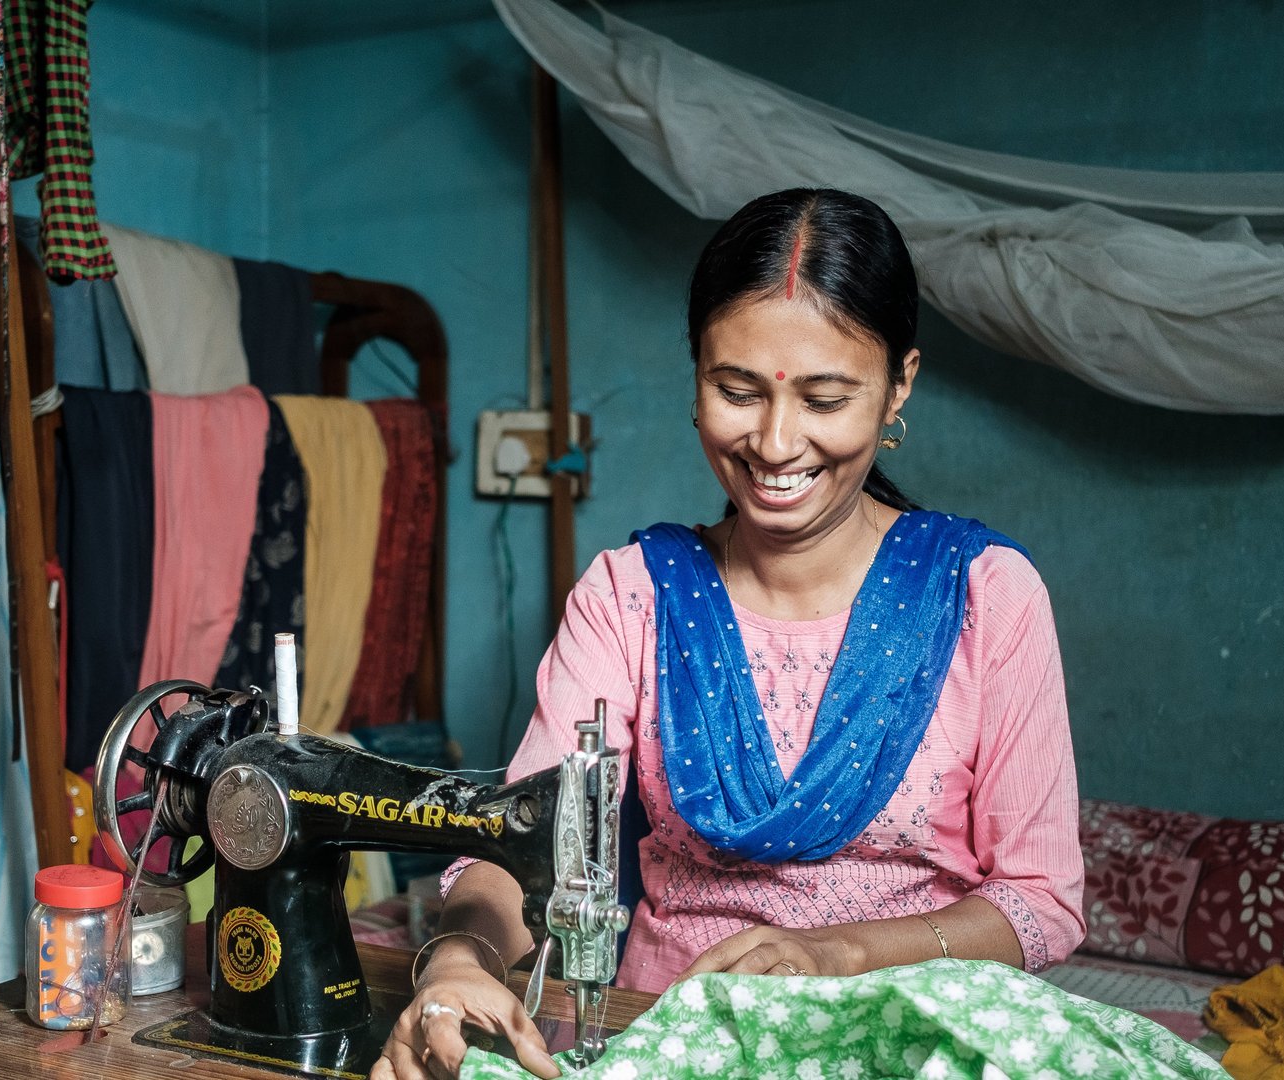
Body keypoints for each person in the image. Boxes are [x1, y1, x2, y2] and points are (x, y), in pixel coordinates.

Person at [370, 189, 1084, 1080]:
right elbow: (529, 850)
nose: (776, 444)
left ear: (900, 383)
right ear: (696, 372)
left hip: (915, 1041)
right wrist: (456, 960)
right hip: (670, 1041)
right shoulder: (631, 598)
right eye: (735, 390)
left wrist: (841, 954)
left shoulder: (985, 596)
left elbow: (1041, 903)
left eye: (826, 399)